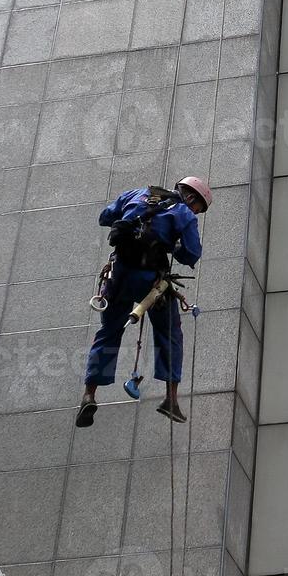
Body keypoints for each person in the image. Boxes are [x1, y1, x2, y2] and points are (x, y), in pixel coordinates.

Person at [76, 176, 212, 428]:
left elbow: (106, 217)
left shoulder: (135, 194)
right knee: (169, 333)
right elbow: (192, 254)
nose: (195, 212)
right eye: (198, 208)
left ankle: (89, 394)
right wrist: (175, 245)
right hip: (150, 280)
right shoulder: (183, 212)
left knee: (109, 332)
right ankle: (170, 399)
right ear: (192, 197)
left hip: (119, 276)